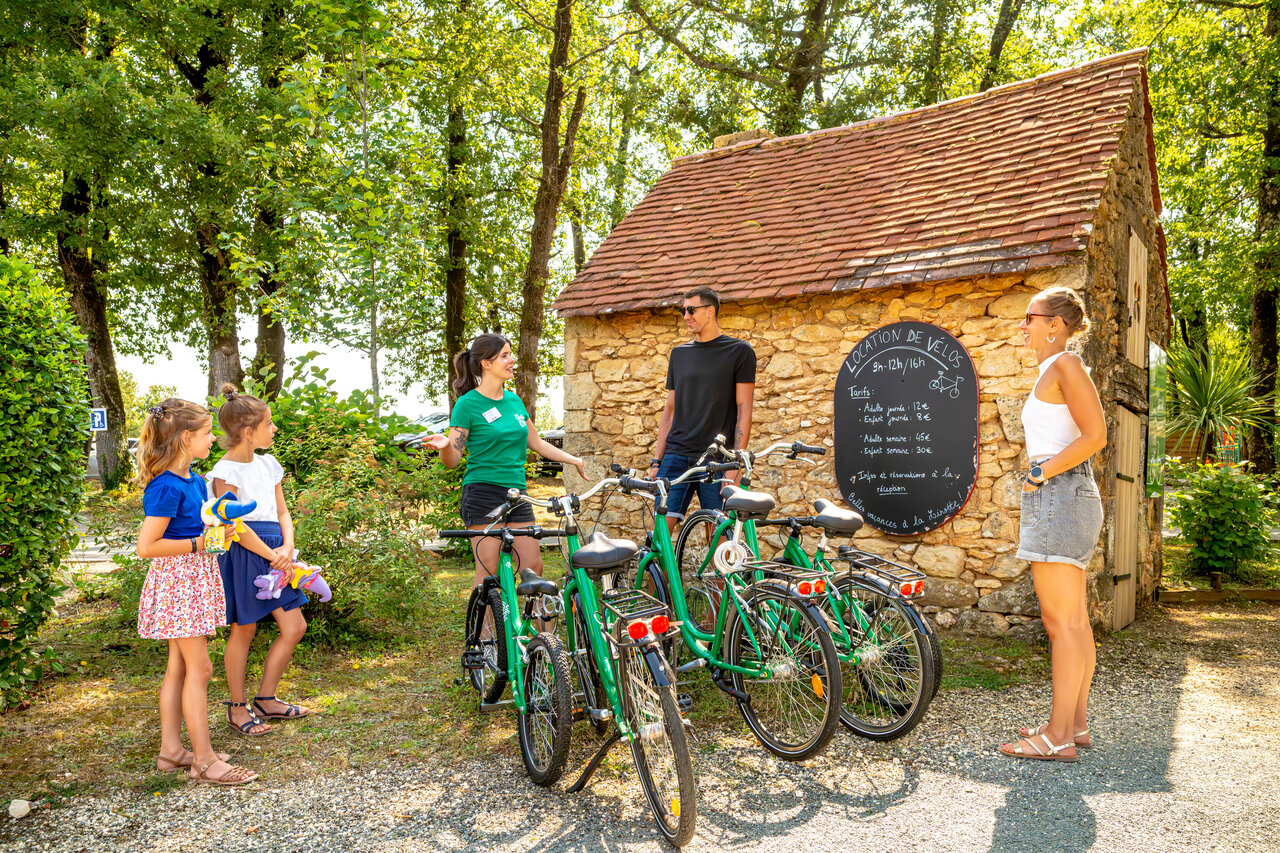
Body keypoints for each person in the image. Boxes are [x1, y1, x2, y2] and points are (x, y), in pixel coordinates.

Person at [1001, 286, 1106, 763]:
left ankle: (1057, 738)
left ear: (1055, 325)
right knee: (1072, 621)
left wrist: (1041, 472)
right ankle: (1073, 725)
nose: (1023, 325)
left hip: (1060, 493)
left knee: (1061, 622)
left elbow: (1096, 435)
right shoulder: (1054, 369)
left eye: (1030, 317)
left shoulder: (1067, 364)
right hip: (1064, 494)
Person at [135, 398, 257, 786]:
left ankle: (171, 752)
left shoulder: (194, 480)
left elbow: (198, 526)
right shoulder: (166, 486)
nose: (213, 439)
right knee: (201, 668)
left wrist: (216, 531)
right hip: (179, 583)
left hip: (194, 578)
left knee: (180, 667)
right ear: (186, 438)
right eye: (207, 433)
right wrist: (198, 544)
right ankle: (204, 761)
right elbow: (146, 547)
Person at [426, 334, 587, 591]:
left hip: (517, 494)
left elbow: (536, 442)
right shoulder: (467, 404)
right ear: (486, 363)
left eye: (511, 354)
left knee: (533, 566)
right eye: (505, 355)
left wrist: (573, 459)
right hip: (482, 493)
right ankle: (487, 619)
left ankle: (527, 619)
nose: (512, 360)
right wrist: (446, 446)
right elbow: (453, 460)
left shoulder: (514, 401)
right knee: (489, 573)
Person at [209, 384, 312, 736]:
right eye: (269, 424)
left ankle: (266, 699)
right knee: (245, 628)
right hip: (246, 552)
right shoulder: (224, 472)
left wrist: (287, 549)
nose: (275, 428)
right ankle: (237, 708)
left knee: (295, 627)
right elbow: (233, 526)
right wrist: (272, 555)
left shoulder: (269, 464)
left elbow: (283, 512)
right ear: (249, 432)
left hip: (277, 552)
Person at [649, 286, 756, 532]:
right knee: (660, 534)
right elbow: (670, 410)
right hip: (676, 455)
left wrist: (735, 464)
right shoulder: (679, 354)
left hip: (717, 458)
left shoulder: (739, 351)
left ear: (710, 311)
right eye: (683, 311)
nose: (686, 316)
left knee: (718, 535)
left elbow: (744, 409)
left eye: (691, 310)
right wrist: (657, 461)